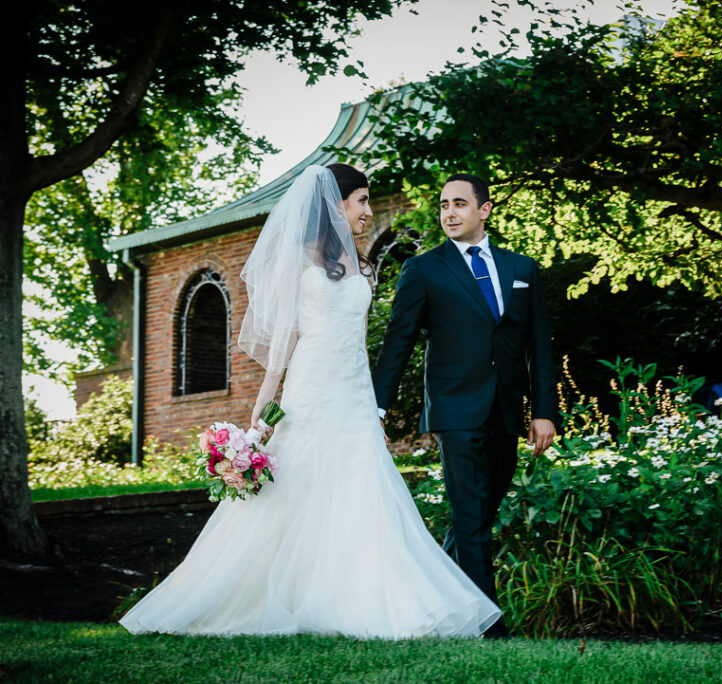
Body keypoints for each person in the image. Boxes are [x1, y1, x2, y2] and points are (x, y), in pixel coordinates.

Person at [118, 164, 500, 637]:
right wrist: (263, 405)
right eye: (361, 200)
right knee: (294, 487)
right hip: (310, 389)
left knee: (366, 488)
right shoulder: (299, 261)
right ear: (335, 204)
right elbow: (284, 343)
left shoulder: (363, 265)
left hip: (354, 393)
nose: (367, 210)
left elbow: (358, 340)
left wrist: (373, 403)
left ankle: (367, 600)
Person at [371, 173, 558, 637]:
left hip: (508, 410)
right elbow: (400, 341)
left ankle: (440, 602)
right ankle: (485, 626)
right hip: (454, 409)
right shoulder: (424, 269)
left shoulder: (522, 269)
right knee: (471, 515)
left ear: (484, 210)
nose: (449, 213)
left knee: (480, 513)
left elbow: (540, 344)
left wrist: (544, 409)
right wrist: (376, 407)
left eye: (459, 204)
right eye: (443, 205)